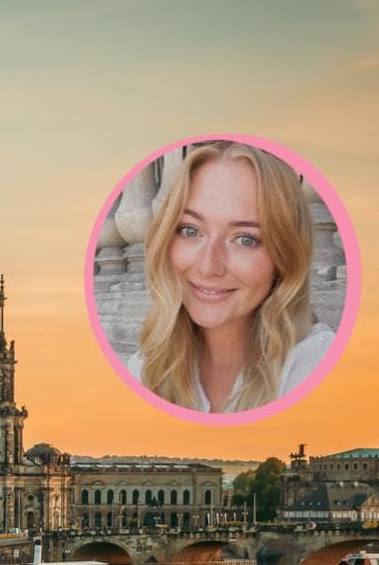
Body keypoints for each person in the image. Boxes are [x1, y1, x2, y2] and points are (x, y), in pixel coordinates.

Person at [126, 141, 335, 414]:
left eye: (246, 239)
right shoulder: (144, 367)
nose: (209, 266)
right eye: (190, 230)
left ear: (285, 255)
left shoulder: (318, 362)